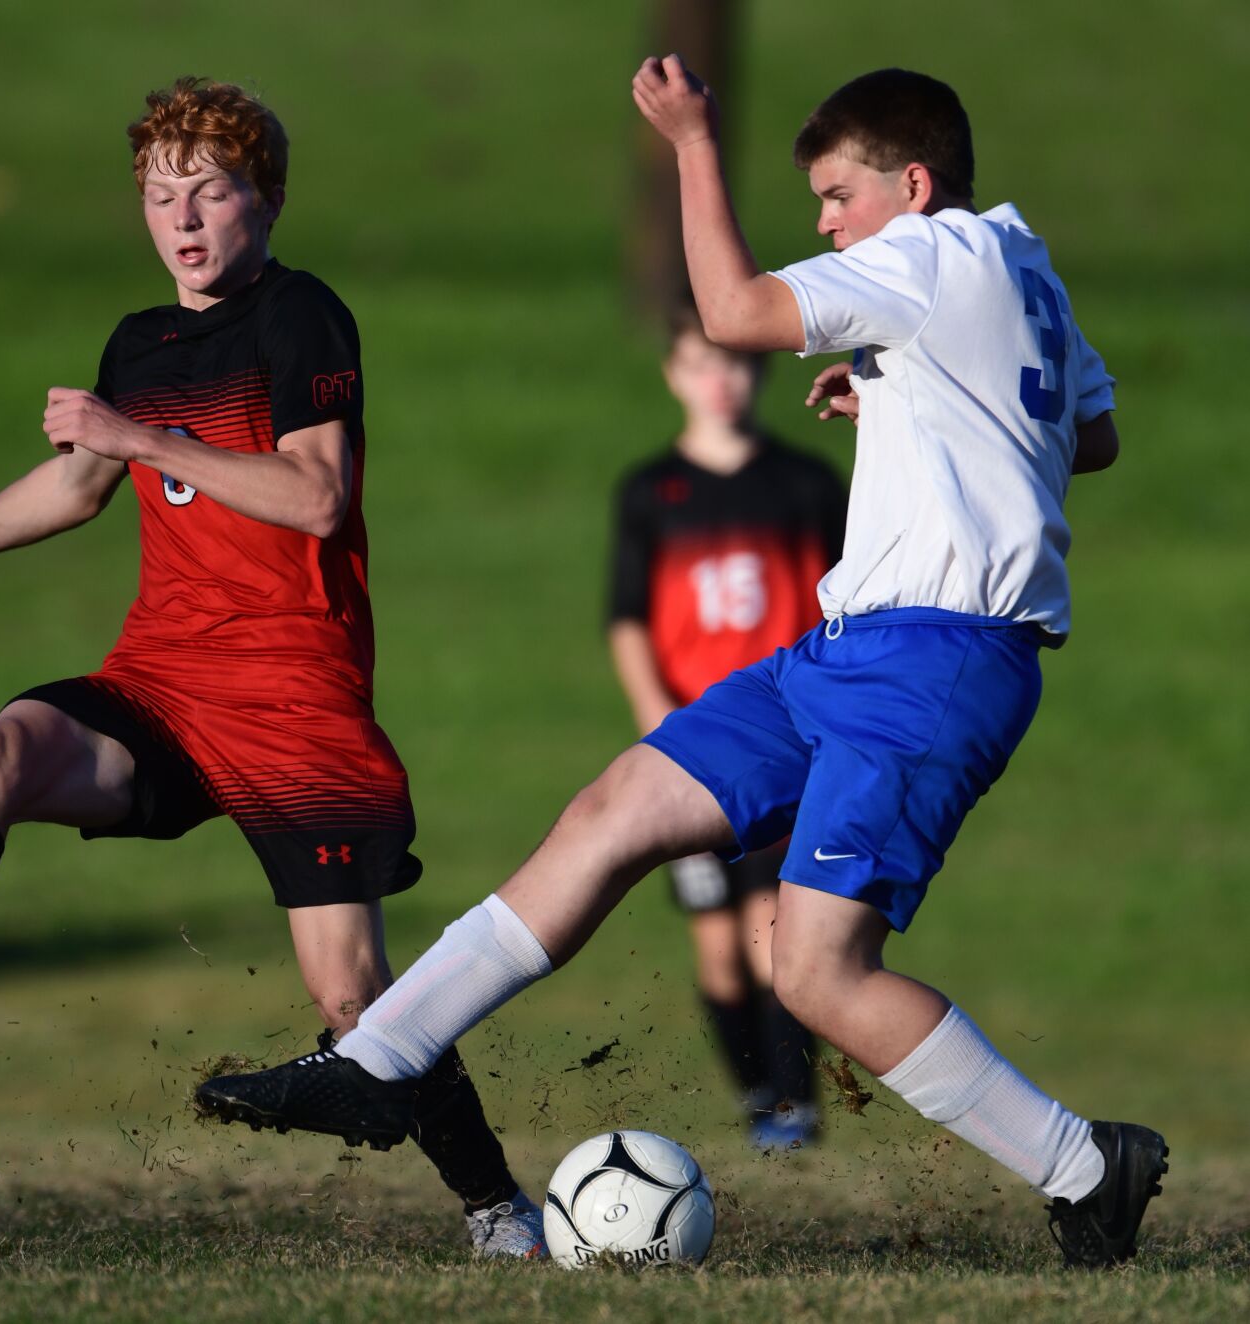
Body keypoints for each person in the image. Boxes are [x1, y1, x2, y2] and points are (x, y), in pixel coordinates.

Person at [197, 61, 1167, 1269]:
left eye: (834, 196)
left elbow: (734, 312)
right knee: (611, 810)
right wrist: (919, 397)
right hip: (848, 648)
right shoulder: (1015, 263)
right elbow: (1093, 436)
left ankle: (1086, 1165)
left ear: (910, 186)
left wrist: (690, 144)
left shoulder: (921, 260)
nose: (821, 222)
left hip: (933, 663)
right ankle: (376, 1064)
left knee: (813, 971)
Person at [0, 76, 544, 1259]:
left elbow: (317, 499)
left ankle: (496, 1211)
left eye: (210, 192)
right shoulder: (140, 342)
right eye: (162, 195)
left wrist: (143, 438)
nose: (184, 219)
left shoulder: (300, 315)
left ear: (263, 201)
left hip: (292, 703)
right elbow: (75, 482)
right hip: (160, 683)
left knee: (353, 1006)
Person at [608, 308, 846, 1147]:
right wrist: (657, 721)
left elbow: (848, 600)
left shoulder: (807, 484)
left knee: (765, 938)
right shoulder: (649, 491)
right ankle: (756, 1098)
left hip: (788, 738)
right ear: (672, 373)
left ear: (763, 374)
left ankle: (796, 1103)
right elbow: (629, 620)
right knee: (715, 950)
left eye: (739, 364)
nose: (721, 380)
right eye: (702, 362)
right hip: (698, 746)